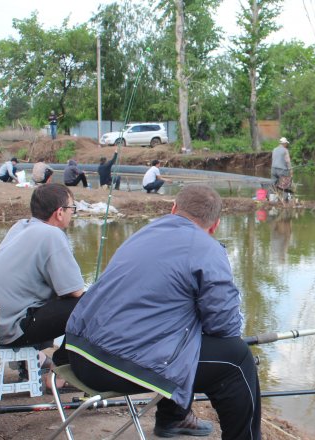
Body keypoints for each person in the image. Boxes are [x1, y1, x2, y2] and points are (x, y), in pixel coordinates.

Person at [65, 185, 261, 439]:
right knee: (237, 359)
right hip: (112, 368)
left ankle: (173, 418)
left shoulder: (144, 233)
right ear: (215, 225)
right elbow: (225, 327)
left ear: (173, 210)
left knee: (182, 326)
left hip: (78, 353)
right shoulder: (208, 250)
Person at [0, 184, 84, 384]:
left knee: (52, 296)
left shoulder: (20, 226)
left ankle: (34, 361)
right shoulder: (52, 235)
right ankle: (60, 372)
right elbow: (76, 292)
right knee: (91, 306)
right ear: (59, 212)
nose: (73, 214)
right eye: (72, 209)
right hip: (11, 327)